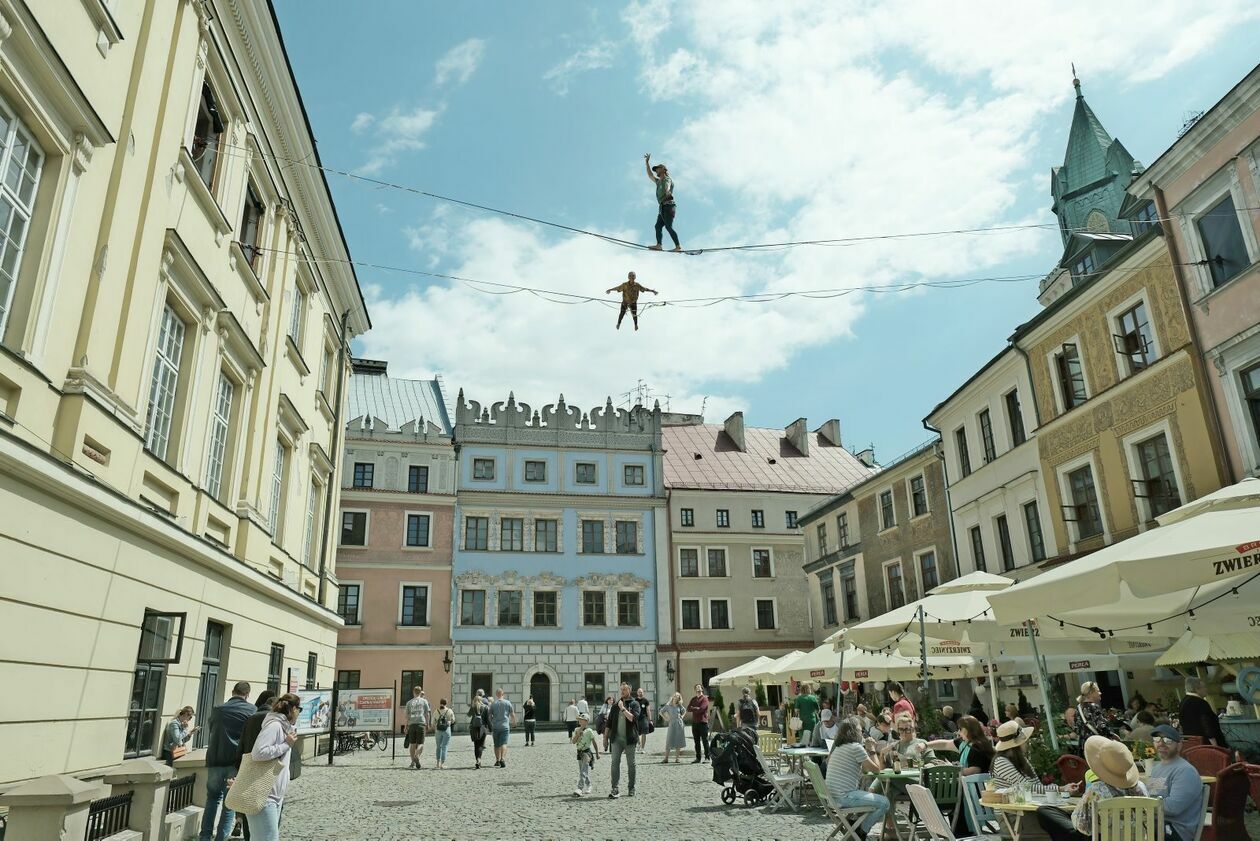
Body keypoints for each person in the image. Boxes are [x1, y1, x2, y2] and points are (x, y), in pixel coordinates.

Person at [1035, 736, 1148, 841]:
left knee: (1045, 811)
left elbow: (1081, 826)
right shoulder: (1141, 788)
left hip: (1101, 837)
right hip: (1137, 837)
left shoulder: (1097, 789)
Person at [200, 682, 254, 841]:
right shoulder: (251, 711)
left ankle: (205, 837)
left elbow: (212, 729)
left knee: (211, 799)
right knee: (229, 803)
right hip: (235, 762)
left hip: (216, 760)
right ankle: (221, 838)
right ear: (247, 694)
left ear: (233, 692)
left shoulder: (218, 709)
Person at [248, 693, 301, 841]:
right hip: (265, 793)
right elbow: (258, 753)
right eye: (299, 709)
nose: (299, 714)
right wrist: (286, 745)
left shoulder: (284, 727)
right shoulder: (275, 726)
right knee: (269, 838)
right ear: (293, 709)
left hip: (274, 794)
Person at [827, 722, 888, 841]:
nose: (863, 734)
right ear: (854, 732)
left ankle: (853, 824)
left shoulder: (840, 747)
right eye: (861, 731)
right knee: (884, 803)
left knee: (869, 798)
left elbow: (865, 770)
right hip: (844, 797)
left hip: (833, 798)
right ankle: (861, 832)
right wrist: (871, 749)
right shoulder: (855, 747)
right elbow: (876, 770)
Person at [1146, 725, 1204, 841]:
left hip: (1176, 830)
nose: (1161, 744)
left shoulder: (1185, 771)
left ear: (1179, 746)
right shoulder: (1156, 768)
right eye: (1157, 739)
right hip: (1157, 823)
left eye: (1168, 740)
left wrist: (1143, 804)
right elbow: (1152, 797)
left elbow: (1173, 808)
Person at [234, 691, 276, 841]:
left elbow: (242, 744)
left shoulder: (251, 718)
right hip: (268, 773)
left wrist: (238, 769)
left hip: (248, 769)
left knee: (248, 808)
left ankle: (247, 835)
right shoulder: (275, 722)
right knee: (270, 823)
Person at [606, 682, 641, 798]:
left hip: (630, 739)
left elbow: (633, 718)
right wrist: (605, 738)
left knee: (631, 764)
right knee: (614, 763)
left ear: (629, 690)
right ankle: (614, 788)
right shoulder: (616, 705)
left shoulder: (635, 704)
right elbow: (609, 723)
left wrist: (623, 709)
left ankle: (632, 788)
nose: (622, 692)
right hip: (616, 739)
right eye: (621, 690)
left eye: (624, 690)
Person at [643, 153, 681, 252]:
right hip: (662, 208)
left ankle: (678, 247)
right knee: (658, 226)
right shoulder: (658, 181)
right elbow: (650, 175)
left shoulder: (667, 179)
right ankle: (659, 245)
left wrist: (668, 191)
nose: (656, 171)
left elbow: (668, 185)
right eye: (655, 170)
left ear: (663, 169)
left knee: (668, 227)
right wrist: (647, 163)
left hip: (669, 206)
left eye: (658, 169)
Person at [1074, 680, 1122, 754]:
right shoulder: (1093, 707)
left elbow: (1076, 729)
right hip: (1097, 746)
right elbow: (1101, 727)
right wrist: (1113, 735)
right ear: (1091, 693)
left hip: (1084, 746)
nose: (1100, 693)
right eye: (1098, 691)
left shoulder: (1078, 708)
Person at [1178, 677, 1228, 747]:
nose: (1206, 689)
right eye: (1204, 687)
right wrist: (1215, 745)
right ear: (1197, 689)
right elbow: (1206, 725)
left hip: (1193, 744)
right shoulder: (1201, 703)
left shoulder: (1182, 703)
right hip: (1207, 744)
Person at [991, 720, 1041, 787]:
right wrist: (1056, 789)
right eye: (1025, 740)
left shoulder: (1020, 757)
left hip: (1029, 796)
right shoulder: (1001, 762)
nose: (1027, 742)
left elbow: (1037, 783)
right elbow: (1026, 787)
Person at [571, 712, 601, 796]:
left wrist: (597, 753)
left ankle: (579, 788)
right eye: (579, 720)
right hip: (579, 752)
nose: (580, 721)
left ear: (587, 721)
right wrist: (578, 733)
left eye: (582, 720)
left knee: (583, 770)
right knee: (583, 771)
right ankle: (589, 785)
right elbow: (573, 742)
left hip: (587, 752)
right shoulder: (577, 729)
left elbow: (594, 742)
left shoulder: (589, 731)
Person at [405, 686, 431, 770]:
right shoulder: (424, 701)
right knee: (421, 743)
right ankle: (417, 756)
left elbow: (407, 716)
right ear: (420, 692)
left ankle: (412, 761)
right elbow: (427, 713)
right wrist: (427, 723)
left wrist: (406, 726)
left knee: (412, 744)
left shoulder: (409, 702)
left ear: (413, 692)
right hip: (421, 724)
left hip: (412, 724)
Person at [489, 688, 515, 768]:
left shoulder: (493, 704)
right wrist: (514, 722)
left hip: (496, 726)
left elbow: (489, 715)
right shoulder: (508, 703)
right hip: (505, 727)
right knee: (504, 743)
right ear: (503, 694)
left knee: (496, 744)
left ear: (496, 695)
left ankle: (497, 760)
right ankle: (503, 759)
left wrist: (490, 724)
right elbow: (512, 714)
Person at [659, 692, 687, 763]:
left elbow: (684, 711)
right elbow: (661, 712)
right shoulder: (668, 705)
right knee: (669, 740)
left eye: (678, 696)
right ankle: (666, 758)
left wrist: (682, 716)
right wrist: (666, 718)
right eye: (675, 696)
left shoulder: (679, 706)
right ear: (673, 697)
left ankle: (677, 758)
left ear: (679, 698)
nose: (676, 697)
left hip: (679, 724)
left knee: (678, 740)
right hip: (671, 723)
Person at [686, 683, 710, 763]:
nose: (698, 688)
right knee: (696, 741)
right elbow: (688, 708)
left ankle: (707, 757)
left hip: (703, 722)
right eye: (696, 687)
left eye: (699, 687)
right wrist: (696, 708)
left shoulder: (705, 699)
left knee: (705, 741)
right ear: (695, 690)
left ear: (702, 689)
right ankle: (698, 758)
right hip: (695, 723)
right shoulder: (693, 699)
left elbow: (702, 709)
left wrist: (694, 708)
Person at [467, 689, 491, 769]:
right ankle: (479, 760)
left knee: (476, 745)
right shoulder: (485, 707)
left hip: (474, 728)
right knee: (481, 745)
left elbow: (468, 715)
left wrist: (472, 707)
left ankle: (477, 760)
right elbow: (488, 719)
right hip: (483, 728)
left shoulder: (473, 707)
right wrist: (491, 728)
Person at [432, 699, 455, 769]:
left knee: (438, 747)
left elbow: (432, 722)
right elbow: (453, 720)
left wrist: (435, 727)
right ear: (446, 703)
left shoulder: (436, 711)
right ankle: (442, 764)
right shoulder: (449, 711)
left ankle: (437, 764)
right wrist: (449, 722)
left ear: (440, 703)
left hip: (438, 730)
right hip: (446, 730)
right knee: (445, 746)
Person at [635, 687, 653, 751]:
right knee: (636, 733)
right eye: (639, 692)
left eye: (642, 692)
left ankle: (642, 748)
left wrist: (650, 720)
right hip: (636, 718)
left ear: (643, 693)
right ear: (637, 693)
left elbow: (648, 710)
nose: (641, 693)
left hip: (644, 718)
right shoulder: (635, 700)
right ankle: (638, 743)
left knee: (644, 733)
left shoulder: (645, 701)